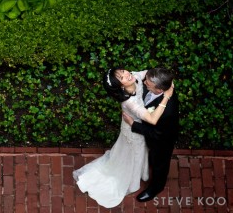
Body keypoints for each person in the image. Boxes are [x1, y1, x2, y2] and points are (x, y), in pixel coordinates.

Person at [72, 68, 174, 208]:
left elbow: (149, 72)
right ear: (121, 86)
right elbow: (151, 118)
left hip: (147, 129)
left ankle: (155, 184)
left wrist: (166, 81)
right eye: (122, 77)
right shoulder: (129, 102)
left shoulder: (135, 77)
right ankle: (133, 179)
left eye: (123, 71)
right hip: (133, 131)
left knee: (153, 155)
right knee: (135, 152)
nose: (127, 74)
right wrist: (166, 96)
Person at [122, 67, 179, 202]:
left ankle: (156, 187)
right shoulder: (156, 83)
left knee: (159, 163)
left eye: (148, 82)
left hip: (162, 140)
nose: (144, 82)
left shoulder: (167, 112)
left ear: (159, 90)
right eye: (146, 78)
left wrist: (133, 124)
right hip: (152, 129)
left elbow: (155, 133)